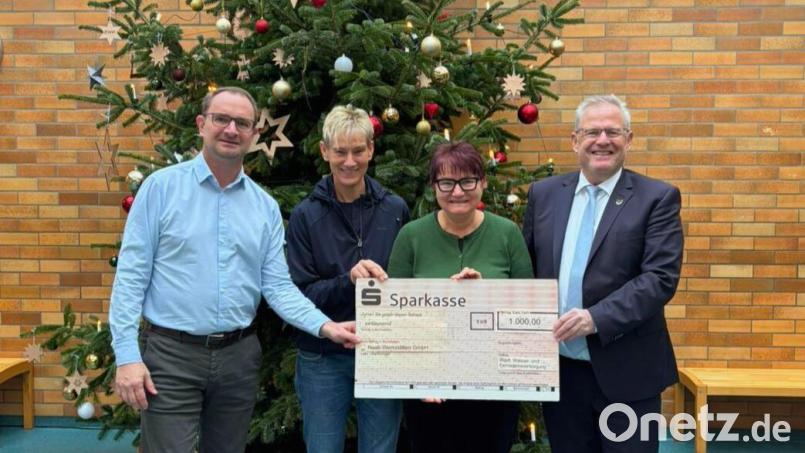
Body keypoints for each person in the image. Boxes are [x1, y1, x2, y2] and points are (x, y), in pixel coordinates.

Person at [109, 87, 360, 453]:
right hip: (170, 356)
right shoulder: (160, 189)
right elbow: (131, 278)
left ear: (255, 134)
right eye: (221, 119)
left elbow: (277, 287)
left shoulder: (264, 207)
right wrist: (127, 356)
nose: (231, 129)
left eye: (242, 123)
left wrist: (326, 327)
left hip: (238, 358)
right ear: (201, 124)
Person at [522, 94, 683, 453]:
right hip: (562, 374)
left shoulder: (657, 198)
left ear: (629, 139)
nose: (602, 140)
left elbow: (660, 278)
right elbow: (526, 270)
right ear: (575, 140)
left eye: (613, 131)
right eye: (592, 131)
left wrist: (595, 318)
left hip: (629, 372)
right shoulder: (544, 195)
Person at [387, 141, 534, 453]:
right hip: (430, 389)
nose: (457, 192)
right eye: (446, 182)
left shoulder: (507, 234)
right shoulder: (411, 237)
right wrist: (419, 377)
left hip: (495, 386)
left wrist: (485, 296)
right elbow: (394, 318)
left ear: (482, 183)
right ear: (433, 187)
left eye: (468, 181)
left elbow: (529, 311)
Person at [286, 105, 409, 453]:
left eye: (358, 151)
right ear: (325, 152)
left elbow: (406, 283)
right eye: (340, 151)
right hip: (322, 356)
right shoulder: (304, 216)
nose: (350, 161)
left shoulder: (395, 209)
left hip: (382, 351)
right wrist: (348, 280)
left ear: (371, 150)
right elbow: (297, 294)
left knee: (381, 449)